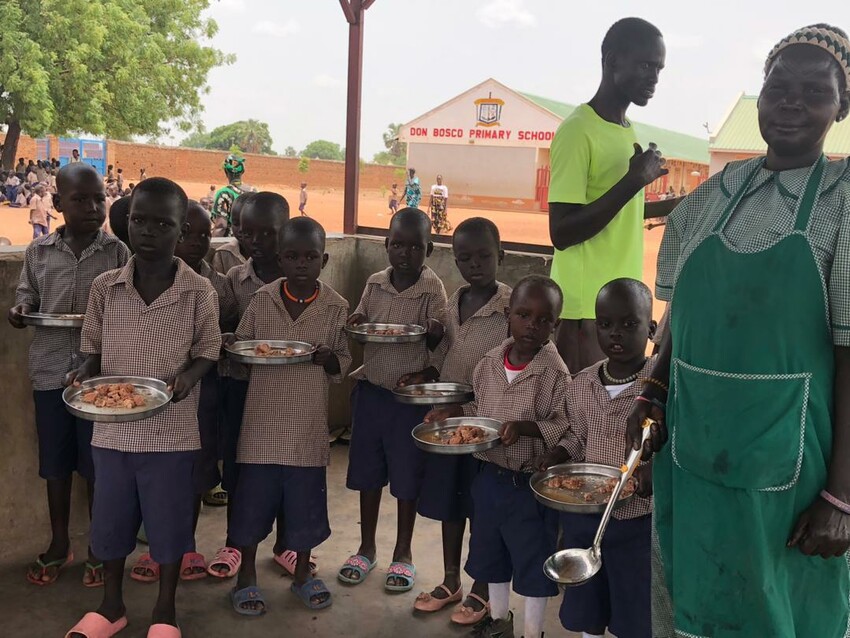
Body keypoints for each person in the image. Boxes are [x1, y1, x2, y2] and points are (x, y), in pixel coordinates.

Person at [628, 24, 850, 638]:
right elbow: (681, 314)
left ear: (842, 105)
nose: (792, 102)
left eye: (815, 89)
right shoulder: (712, 196)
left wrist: (841, 497)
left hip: (791, 468)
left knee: (781, 609)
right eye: (779, 87)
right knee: (693, 601)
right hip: (694, 449)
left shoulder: (843, 202)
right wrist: (652, 386)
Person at [63, 177, 221, 638]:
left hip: (170, 432)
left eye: (162, 223)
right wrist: (83, 371)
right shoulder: (105, 287)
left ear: (181, 229)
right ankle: (111, 605)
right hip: (111, 431)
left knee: (168, 524)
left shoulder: (198, 292)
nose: (148, 231)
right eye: (139, 221)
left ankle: (165, 611)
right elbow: (92, 347)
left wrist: (187, 380)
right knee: (110, 521)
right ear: (126, 223)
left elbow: (209, 350)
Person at [425, 275, 570, 638]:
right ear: (509, 314)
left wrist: (526, 428)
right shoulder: (489, 363)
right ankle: (499, 622)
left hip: (529, 487)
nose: (532, 326)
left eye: (543, 320)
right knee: (492, 556)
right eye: (523, 315)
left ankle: (533, 630)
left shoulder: (555, 374)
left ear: (556, 324)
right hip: (489, 479)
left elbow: (566, 423)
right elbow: (482, 410)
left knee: (533, 563)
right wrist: (457, 410)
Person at [8, 163, 130, 590]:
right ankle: (60, 543)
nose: (94, 207)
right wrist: (20, 310)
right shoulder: (38, 252)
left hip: (100, 376)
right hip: (49, 371)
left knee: (98, 464)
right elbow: (27, 297)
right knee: (56, 465)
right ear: (58, 204)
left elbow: (129, 303)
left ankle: (100, 545)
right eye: (81, 200)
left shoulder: (117, 253)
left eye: (99, 199)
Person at [226, 216, 352, 615]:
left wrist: (332, 359)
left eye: (311, 256)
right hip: (261, 428)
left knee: (305, 508)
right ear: (280, 260)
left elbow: (343, 365)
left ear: (324, 260)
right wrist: (235, 348)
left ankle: (302, 574)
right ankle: (246, 575)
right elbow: (243, 350)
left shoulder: (336, 307)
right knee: (251, 506)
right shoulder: (262, 300)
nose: (302, 264)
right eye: (293, 256)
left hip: (306, 431)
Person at [547, 17, 676, 374]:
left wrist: (676, 206)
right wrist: (633, 181)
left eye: (659, 68)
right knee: (583, 419)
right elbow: (562, 231)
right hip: (585, 309)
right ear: (612, 60)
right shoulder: (578, 131)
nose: (654, 78)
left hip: (619, 305)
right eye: (646, 65)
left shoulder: (625, 129)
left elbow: (622, 210)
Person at [399, 217, 510, 625]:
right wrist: (425, 375)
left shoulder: (511, 309)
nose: (474, 264)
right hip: (449, 430)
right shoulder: (454, 302)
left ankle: (481, 586)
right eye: (464, 258)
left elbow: (514, 372)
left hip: (487, 429)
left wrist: (468, 410)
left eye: (483, 256)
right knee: (450, 505)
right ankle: (451, 580)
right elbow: (443, 352)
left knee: (482, 510)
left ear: (501, 256)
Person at [538, 278, 656, 638]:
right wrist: (558, 453)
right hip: (583, 516)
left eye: (628, 324)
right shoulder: (583, 383)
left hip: (636, 521)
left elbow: (673, 444)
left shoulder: (657, 387)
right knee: (586, 599)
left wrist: (652, 474)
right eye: (605, 325)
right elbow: (577, 435)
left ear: (651, 329)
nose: (615, 334)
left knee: (632, 604)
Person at [339, 208, 447, 592]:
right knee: (368, 474)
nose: (404, 253)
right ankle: (366, 547)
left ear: (428, 249)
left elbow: (441, 340)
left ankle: (403, 552)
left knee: (406, 478)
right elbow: (361, 317)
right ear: (386, 245)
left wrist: (428, 363)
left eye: (414, 247)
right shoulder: (374, 282)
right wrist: (354, 323)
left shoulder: (432, 289)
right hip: (371, 393)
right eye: (397, 245)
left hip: (409, 401)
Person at [206, 192, 293, 579]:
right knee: (239, 468)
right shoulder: (234, 279)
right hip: (241, 387)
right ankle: (234, 541)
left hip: (289, 392)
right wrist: (226, 338)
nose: (256, 241)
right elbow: (221, 325)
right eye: (248, 232)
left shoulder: (299, 278)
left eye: (267, 233)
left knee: (287, 467)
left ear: (285, 233)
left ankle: (287, 543)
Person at [211, 192, 253, 276]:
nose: (241, 229)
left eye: (247, 224)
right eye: (236, 223)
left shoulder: (270, 254)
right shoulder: (223, 255)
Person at [212, 153, 251, 237]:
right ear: (243, 171)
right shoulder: (254, 191)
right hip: (251, 242)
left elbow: (221, 226)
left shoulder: (224, 193)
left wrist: (211, 247)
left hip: (231, 242)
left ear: (226, 172)